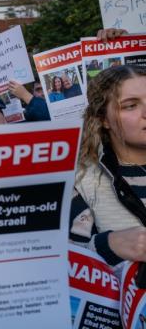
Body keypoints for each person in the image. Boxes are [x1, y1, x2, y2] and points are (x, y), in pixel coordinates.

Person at [70, 63, 146, 266]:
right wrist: (108, 244)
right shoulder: (81, 181)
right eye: (131, 105)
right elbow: (67, 263)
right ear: (104, 119)